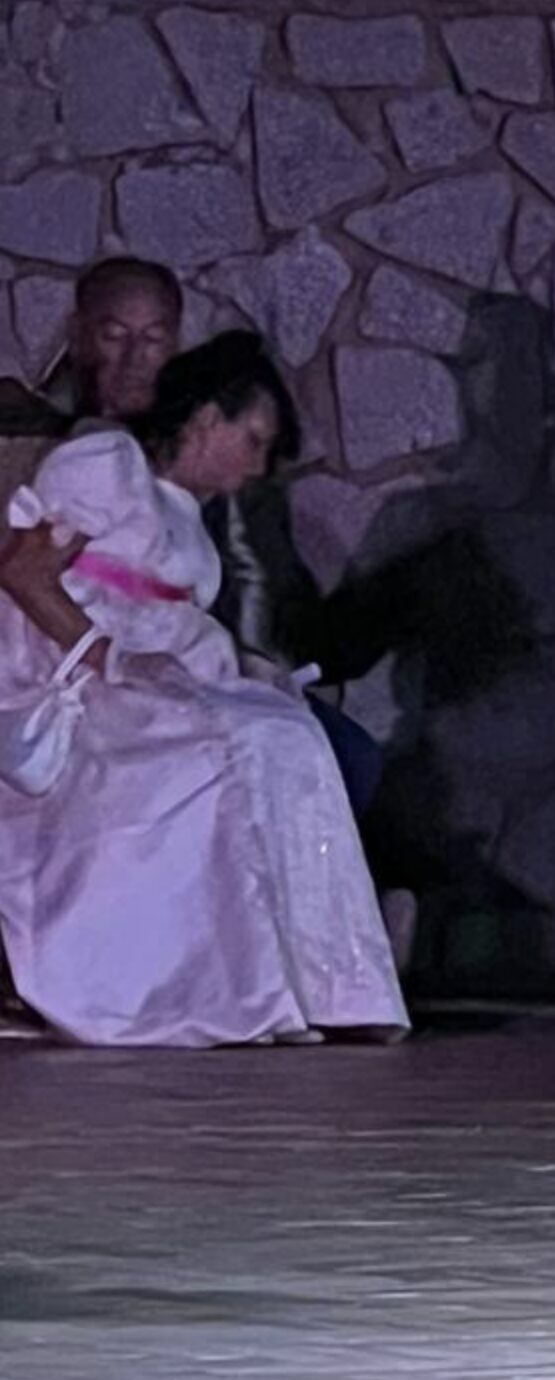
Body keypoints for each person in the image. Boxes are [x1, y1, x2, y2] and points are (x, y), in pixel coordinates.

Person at [0, 332, 407, 1047]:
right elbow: (25, 575)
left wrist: (247, 671)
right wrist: (109, 658)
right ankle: (248, 994)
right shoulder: (108, 466)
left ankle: (330, 987)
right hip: (88, 692)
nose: (257, 465)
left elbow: (177, 630)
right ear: (207, 419)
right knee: (255, 738)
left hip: (162, 689)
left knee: (292, 737)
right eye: (252, 441)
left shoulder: (189, 519)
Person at [0, 258, 184, 495]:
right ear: (77, 335)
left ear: (175, 345)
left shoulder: (193, 446)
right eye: (114, 336)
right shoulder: (19, 425)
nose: (134, 358)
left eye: (153, 338)